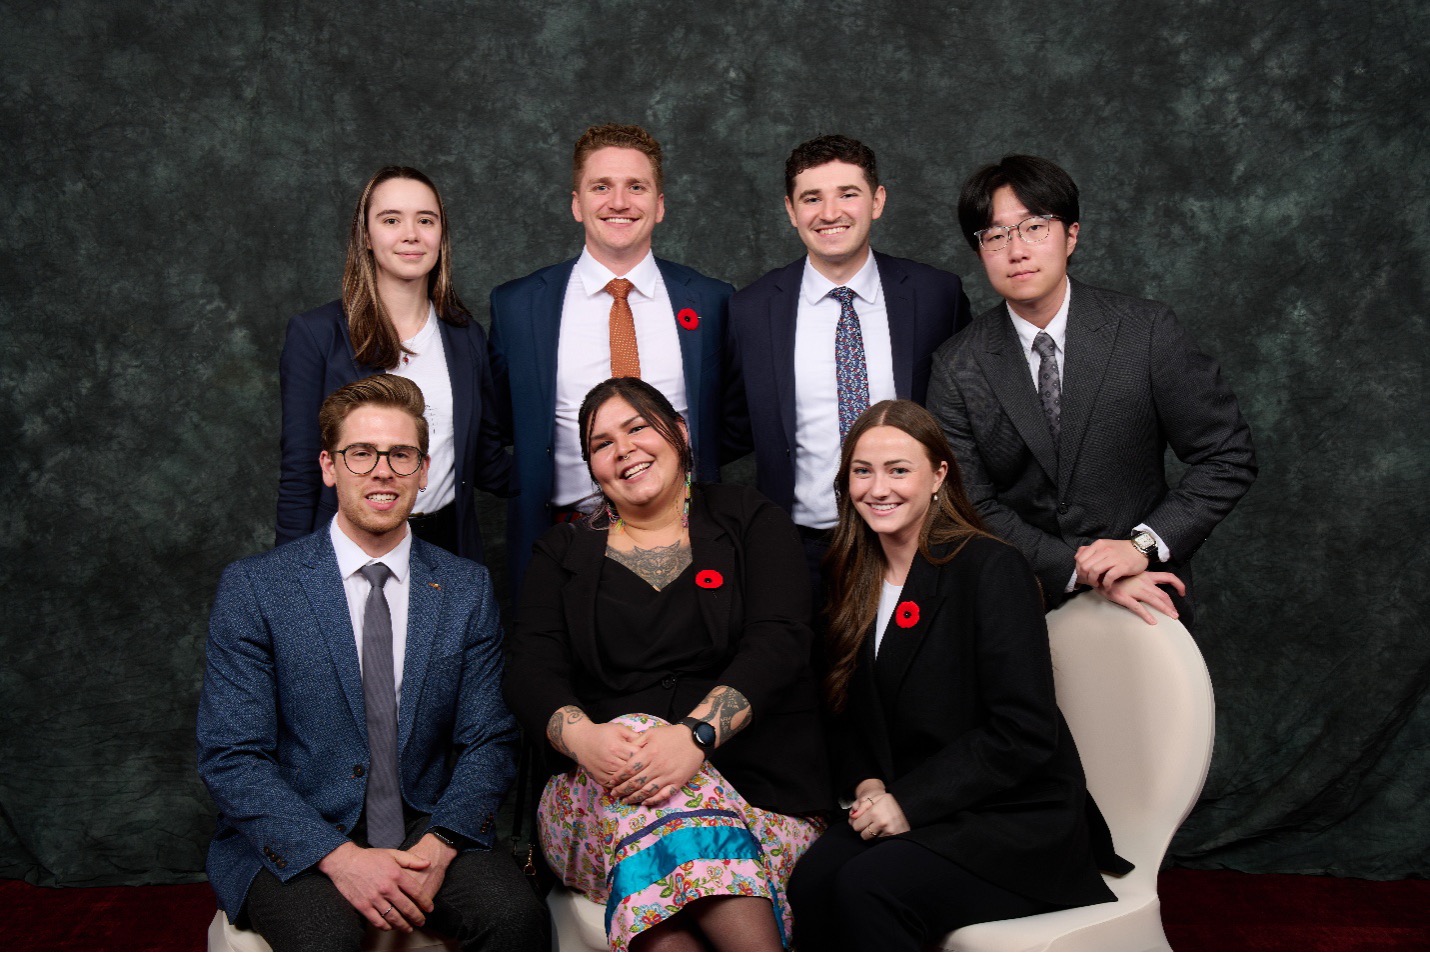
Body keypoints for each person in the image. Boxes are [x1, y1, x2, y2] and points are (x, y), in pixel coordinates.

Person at [199, 375, 548, 950]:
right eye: (361, 453)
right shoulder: (257, 588)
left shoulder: (465, 588)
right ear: (329, 466)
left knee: (516, 920)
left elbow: (489, 738)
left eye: (400, 454)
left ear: (423, 469)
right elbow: (231, 756)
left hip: (426, 821)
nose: (382, 470)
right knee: (328, 940)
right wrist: (339, 859)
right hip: (301, 828)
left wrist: (439, 846)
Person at [787, 400, 1130, 950]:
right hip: (914, 803)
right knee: (810, 881)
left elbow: (1023, 733)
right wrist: (868, 784)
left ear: (939, 475)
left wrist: (909, 803)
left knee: (867, 888)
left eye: (899, 470)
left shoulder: (991, 569)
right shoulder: (851, 573)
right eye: (862, 470)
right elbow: (847, 709)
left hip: (1011, 818)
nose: (879, 488)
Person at [504, 378, 830, 951]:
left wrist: (694, 738)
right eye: (601, 443)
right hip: (603, 794)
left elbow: (779, 641)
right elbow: (530, 669)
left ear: (678, 432)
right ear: (592, 468)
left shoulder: (749, 518)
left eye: (637, 428)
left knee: (673, 839)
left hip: (756, 794)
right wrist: (587, 743)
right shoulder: (561, 554)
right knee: (644, 768)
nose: (623, 449)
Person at [928, 154, 1256, 625]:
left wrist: (1143, 545)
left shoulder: (1145, 332)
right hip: (1020, 600)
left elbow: (1227, 456)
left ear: (1072, 235)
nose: (1016, 250)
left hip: (1149, 593)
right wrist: (1080, 569)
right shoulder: (958, 364)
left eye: (1034, 227)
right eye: (995, 236)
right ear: (980, 251)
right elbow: (969, 503)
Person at [489, 124, 732, 592]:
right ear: (577, 203)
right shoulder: (519, 306)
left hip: (686, 536)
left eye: (636, 187)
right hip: (565, 535)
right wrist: (529, 484)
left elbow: (733, 419)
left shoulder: (711, 301)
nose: (619, 202)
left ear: (659, 205)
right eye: (602, 187)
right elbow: (496, 421)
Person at [724, 134, 973, 589]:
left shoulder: (936, 296)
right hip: (801, 550)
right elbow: (733, 424)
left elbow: (967, 420)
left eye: (848, 194)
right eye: (812, 198)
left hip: (918, 542)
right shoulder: (752, 310)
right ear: (790, 210)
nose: (830, 213)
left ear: (877, 201)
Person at [276, 165, 512, 560]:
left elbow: (486, 460)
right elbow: (300, 473)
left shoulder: (463, 334)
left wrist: (582, 468)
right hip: (347, 547)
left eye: (425, 220)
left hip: (447, 544)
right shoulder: (316, 335)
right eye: (391, 219)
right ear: (366, 236)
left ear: (441, 235)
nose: (411, 234)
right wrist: (287, 578)